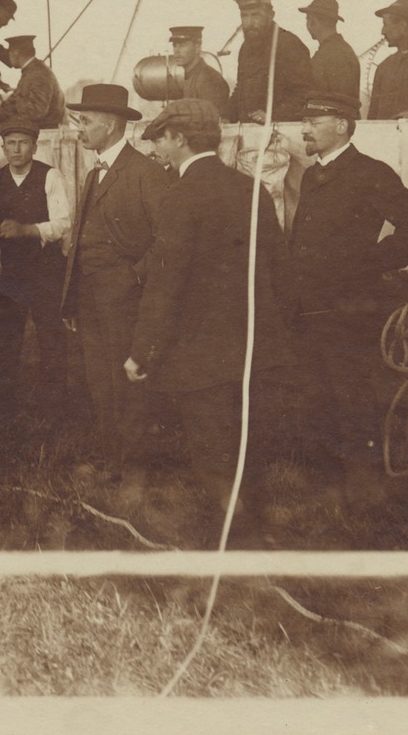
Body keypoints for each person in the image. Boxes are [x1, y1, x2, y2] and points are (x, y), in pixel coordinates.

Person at [125, 99, 296, 543]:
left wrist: (142, 352)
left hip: (199, 352)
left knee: (211, 447)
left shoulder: (181, 195)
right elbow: (278, 268)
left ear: (180, 139)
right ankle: (252, 523)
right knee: (246, 441)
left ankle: (236, 537)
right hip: (253, 344)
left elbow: (165, 283)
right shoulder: (252, 188)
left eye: (161, 138)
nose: (158, 148)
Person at [287, 91, 408, 506]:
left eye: (312, 123)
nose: (304, 130)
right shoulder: (311, 174)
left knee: (351, 395)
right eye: (304, 123)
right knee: (316, 391)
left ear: (341, 126)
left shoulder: (370, 172)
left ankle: (363, 484)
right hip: (310, 305)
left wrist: (366, 263)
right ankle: (324, 479)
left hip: (347, 308)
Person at [61, 84, 171, 462]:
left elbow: (168, 240)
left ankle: (133, 464)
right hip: (90, 298)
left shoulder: (146, 173)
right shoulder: (95, 173)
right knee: (99, 380)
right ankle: (112, 455)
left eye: (85, 121)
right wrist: (73, 297)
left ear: (110, 125)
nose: (79, 128)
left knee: (126, 381)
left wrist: (134, 278)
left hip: (125, 300)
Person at [0, 120, 72, 410]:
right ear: (3, 147)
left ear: (34, 146)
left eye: (22, 143)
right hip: (11, 270)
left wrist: (26, 229)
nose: (16, 149)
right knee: (6, 333)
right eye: (10, 144)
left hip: (47, 268)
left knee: (51, 333)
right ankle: (4, 401)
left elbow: (63, 223)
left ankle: (54, 401)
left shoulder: (50, 176)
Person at [231, 0, 311, 123]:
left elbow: (304, 94)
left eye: (256, 16)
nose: (249, 22)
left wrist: (273, 116)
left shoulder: (289, 44)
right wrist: (227, 117)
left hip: (282, 132)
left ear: (271, 15)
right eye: (244, 16)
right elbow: (241, 90)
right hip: (249, 132)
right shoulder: (245, 48)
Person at [0, 35, 66, 131]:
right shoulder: (31, 72)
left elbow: (36, 113)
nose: (8, 57)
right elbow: (10, 104)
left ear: (14, 53)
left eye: (9, 53)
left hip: (45, 135)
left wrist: (4, 126)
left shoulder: (39, 75)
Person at [298, 0, 360, 104]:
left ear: (313, 21)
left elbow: (343, 100)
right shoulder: (337, 50)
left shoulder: (335, 53)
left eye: (308, 19)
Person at [168, 26, 231, 120]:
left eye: (182, 45)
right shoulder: (190, 76)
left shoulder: (209, 79)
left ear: (197, 47)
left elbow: (211, 123)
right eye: (175, 45)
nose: (176, 51)